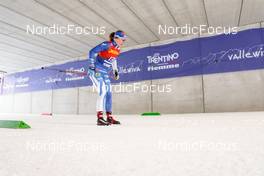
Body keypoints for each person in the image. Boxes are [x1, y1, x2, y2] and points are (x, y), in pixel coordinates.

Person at [88, 30, 126, 125]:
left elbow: (113, 60)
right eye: (122, 39)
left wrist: (115, 71)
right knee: (103, 91)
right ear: (116, 38)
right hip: (96, 70)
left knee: (109, 92)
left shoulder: (117, 49)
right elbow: (92, 52)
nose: (123, 42)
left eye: (124, 40)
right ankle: (99, 118)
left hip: (104, 72)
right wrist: (92, 65)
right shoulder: (107, 44)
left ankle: (109, 117)